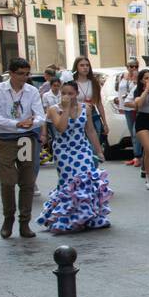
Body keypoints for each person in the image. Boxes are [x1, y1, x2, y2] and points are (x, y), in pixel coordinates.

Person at [36, 81, 112, 234]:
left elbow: (90, 130)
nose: (67, 96)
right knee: (69, 183)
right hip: (63, 150)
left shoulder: (86, 108)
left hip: (82, 148)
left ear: (76, 94)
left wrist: (98, 151)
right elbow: (61, 128)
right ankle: (67, 217)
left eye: (70, 93)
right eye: (63, 93)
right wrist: (65, 109)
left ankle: (87, 216)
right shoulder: (53, 109)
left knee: (85, 179)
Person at [0, 58, 45, 238]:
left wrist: (30, 124)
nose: (24, 77)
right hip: (4, 139)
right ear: (11, 73)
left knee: (27, 181)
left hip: (26, 139)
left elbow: (40, 117)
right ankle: (8, 218)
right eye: (20, 74)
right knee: (7, 181)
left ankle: (24, 222)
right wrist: (17, 124)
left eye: (26, 74)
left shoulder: (32, 91)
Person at [70, 57, 108, 148]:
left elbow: (99, 103)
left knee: (94, 144)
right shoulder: (71, 83)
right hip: (77, 115)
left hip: (93, 115)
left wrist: (105, 123)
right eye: (82, 65)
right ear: (76, 67)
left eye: (87, 65)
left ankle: (94, 160)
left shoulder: (94, 82)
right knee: (80, 144)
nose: (85, 68)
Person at [114, 59, 142, 167]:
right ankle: (136, 155)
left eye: (136, 66)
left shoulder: (139, 77)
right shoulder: (123, 76)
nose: (133, 68)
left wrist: (136, 80)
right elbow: (120, 92)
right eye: (131, 66)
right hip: (126, 108)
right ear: (127, 67)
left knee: (136, 132)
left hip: (135, 108)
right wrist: (120, 105)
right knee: (132, 132)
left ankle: (138, 156)